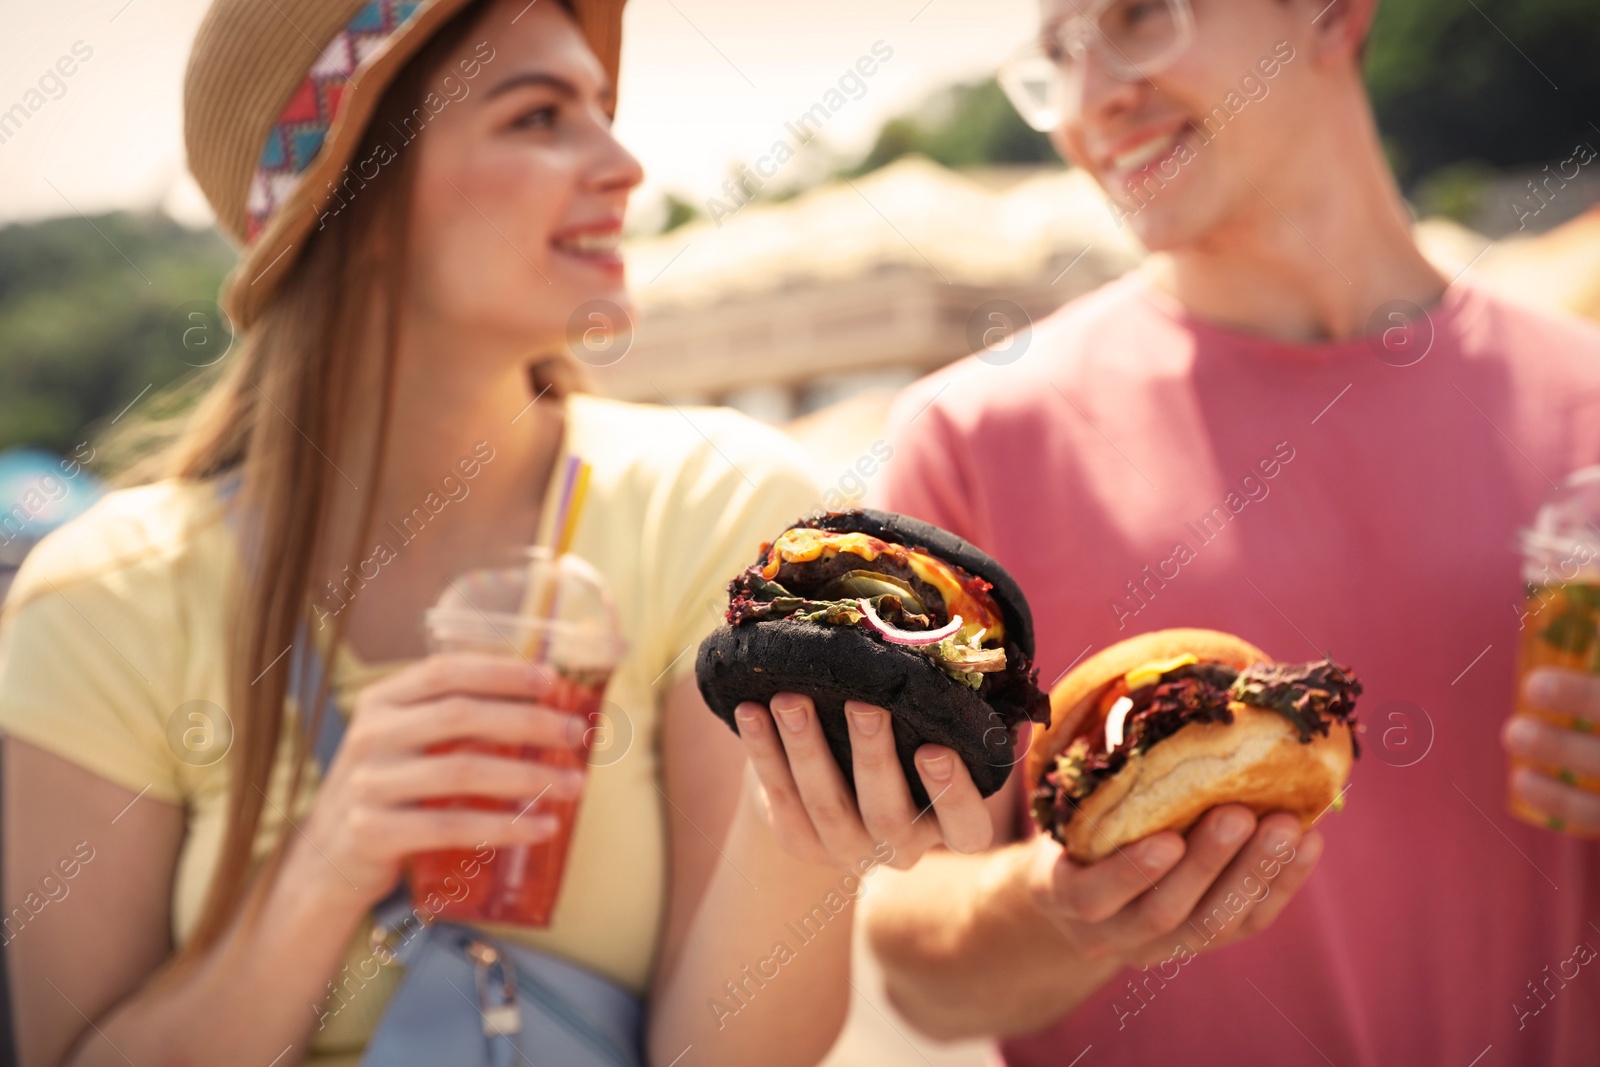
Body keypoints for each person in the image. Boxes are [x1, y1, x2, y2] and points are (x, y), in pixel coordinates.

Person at [0, 2, 977, 1065]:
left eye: (599, 110)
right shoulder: (101, 596)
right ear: (349, 196)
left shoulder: (719, 507)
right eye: (538, 117)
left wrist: (803, 844)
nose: (624, 164)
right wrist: (326, 865)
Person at [737, 0, 1600, 1063]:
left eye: (1139, 16)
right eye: (1054, 54)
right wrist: (1062, 907)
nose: (1091, 99)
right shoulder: (977, 435)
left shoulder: (1586, 398)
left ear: (1332, 15)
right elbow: (916, 972)